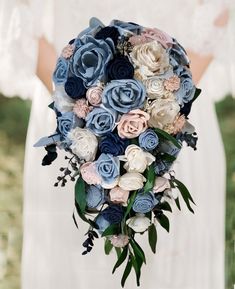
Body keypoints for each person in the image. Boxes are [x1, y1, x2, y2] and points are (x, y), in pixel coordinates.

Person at [0, 0, 234, 288]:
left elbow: (217, 8)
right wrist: (75, 106)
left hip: (172, 123)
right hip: (72, 124)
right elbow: (17, 11)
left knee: (175, 263)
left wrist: (166, 104)